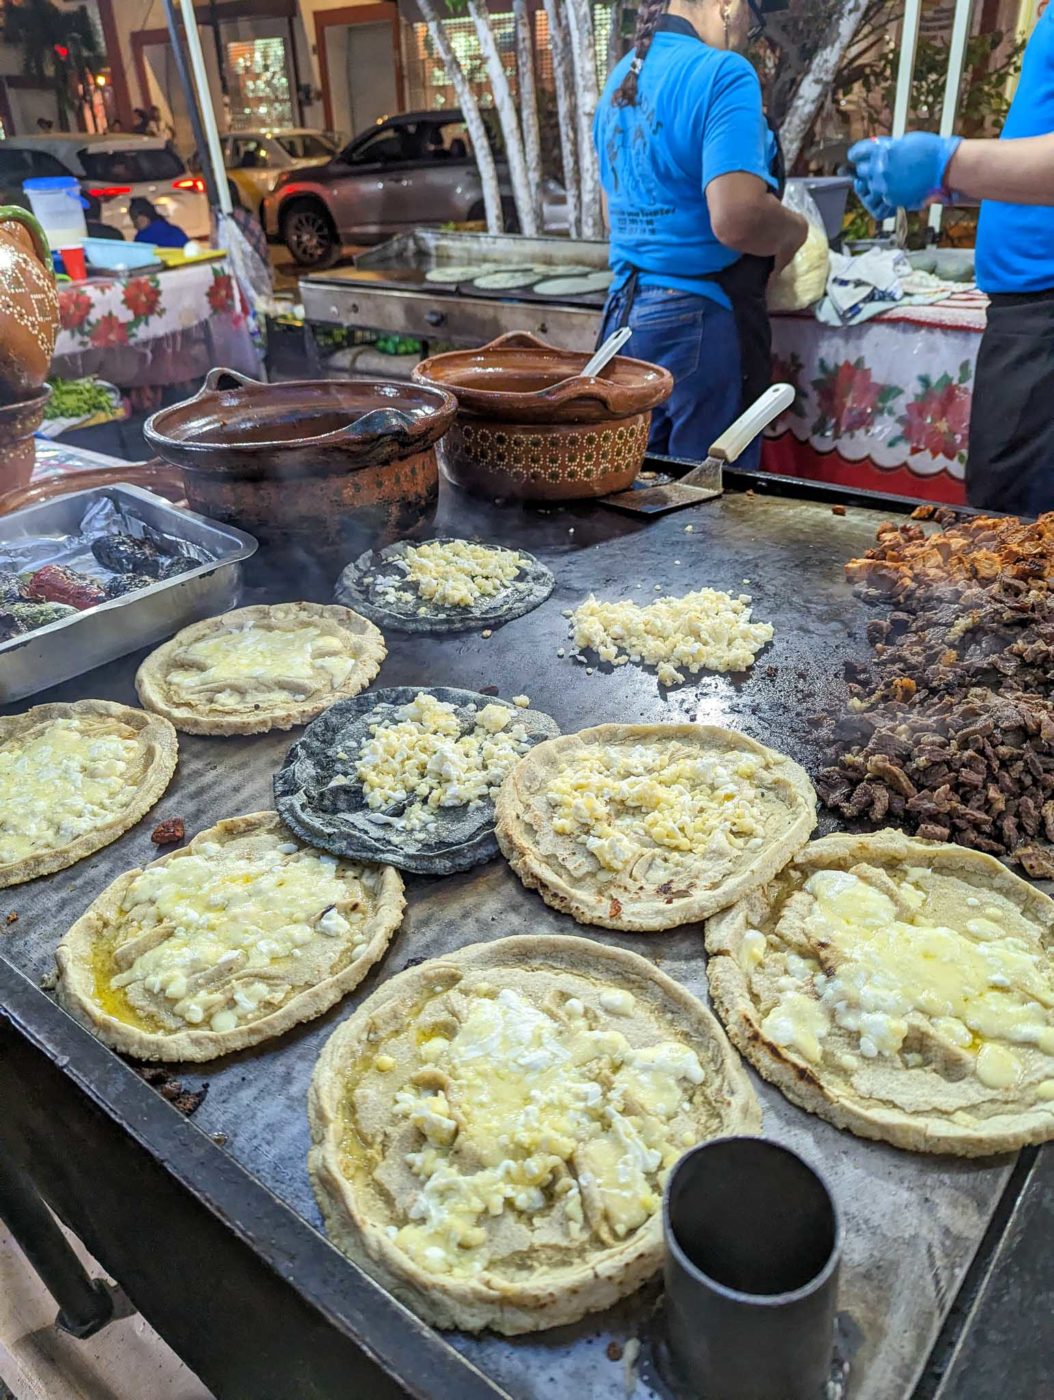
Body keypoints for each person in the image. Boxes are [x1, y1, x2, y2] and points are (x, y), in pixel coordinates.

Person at [848, 0, 1054, 516]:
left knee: (1018, 542)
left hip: (1045, 314)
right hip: (1028, 310)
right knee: (1006, 528)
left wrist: (951, 160)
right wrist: (947, 183)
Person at [594, 0, 807, 461]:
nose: (750, 36)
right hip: (699, 326)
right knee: (711, 513)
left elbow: (614, 217)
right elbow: (736, 218)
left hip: (625, 325)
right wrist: (795, 232)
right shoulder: (722, 73)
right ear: (728, 6)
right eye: (754, 23)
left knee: (634, 498)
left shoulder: (620, 79)